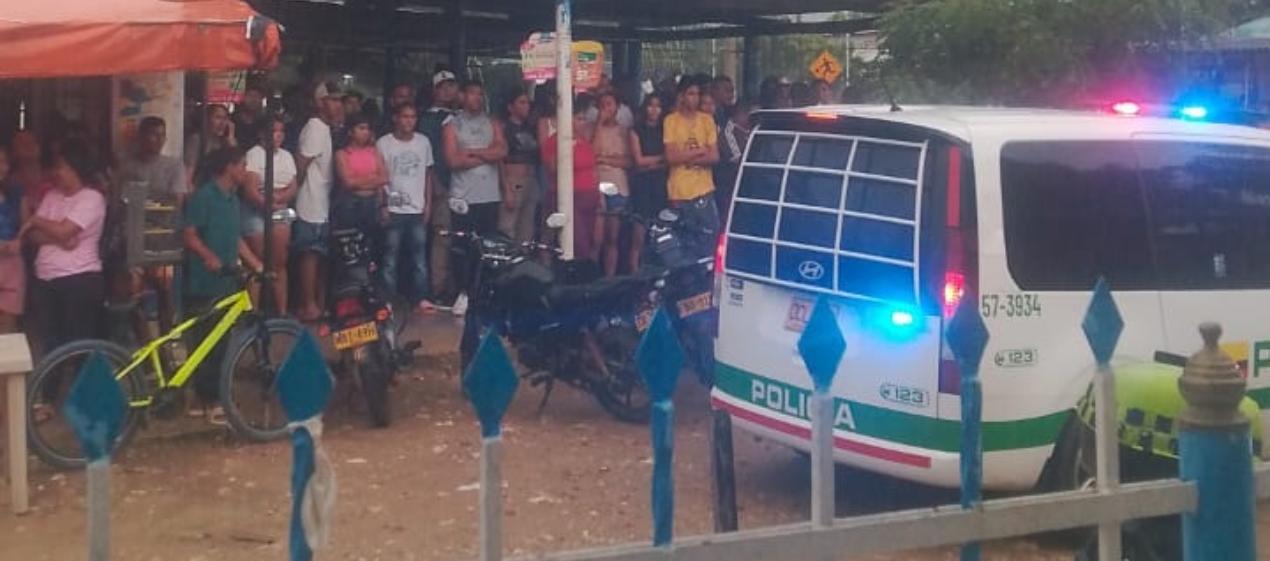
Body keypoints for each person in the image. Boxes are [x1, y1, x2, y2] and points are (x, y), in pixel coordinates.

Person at [182, 147, 264, 420]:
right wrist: (208, 256)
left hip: (226, 283)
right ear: (229, 167)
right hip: (202, 282)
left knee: (220, 344)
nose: (245, 171)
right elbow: (189, 234)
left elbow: (237, 239)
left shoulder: (232, 200)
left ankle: (211, 398)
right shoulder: (204, 196)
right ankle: (207, 398)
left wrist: (257, 266)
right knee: (203, 343)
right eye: (242, 165)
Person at [23, 140, 107, 357]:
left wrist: (35, 219)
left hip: (78, 279)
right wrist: (58, 238)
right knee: (50, 343)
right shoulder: (51, 196)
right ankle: (53, 380)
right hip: (45, 279)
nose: (56, 172)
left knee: (77, 344)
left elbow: (63, 230)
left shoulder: (92, 198)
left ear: (75, 169)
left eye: (61, 167)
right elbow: (32, 236)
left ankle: (79, 379)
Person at [113, 116, 189, 340]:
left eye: (162, 135)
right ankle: (146, 344)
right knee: (133, 292)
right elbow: (120, 202)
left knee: (165, 291)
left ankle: (165, 342)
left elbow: (175, 203)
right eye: (153, 134)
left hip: (162, 237)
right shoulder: (127, 165)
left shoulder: (174, 165)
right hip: (133, 236)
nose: (158, 139)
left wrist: (142, 202)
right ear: (141, 137)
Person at [444, 80, 506, 315]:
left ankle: (485, 292)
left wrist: (472, 152)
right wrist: (487, 156)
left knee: (488, 246)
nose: (477, 98)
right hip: (463, 197)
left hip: (489, 195)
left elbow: (502, 151)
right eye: (472, 93)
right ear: (463, 96)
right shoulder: (452, 125)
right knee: (463, 246)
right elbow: (452, 160)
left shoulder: (493, 123)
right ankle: (464, 291)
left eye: (480, 94)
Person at [293, 81, 343, 322]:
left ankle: (319, 304)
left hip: (321, 201)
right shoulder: (314, 127)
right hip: (310, 201)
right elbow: (301, 164)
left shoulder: (325, 128)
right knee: (310, 255)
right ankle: (309, 304)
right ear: (320, 103)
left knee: (320, 256)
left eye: (339, 100)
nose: (338, 105)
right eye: (332, 100)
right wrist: (294, 193)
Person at [377, 104, 436, 310]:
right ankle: (388, 299)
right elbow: (379, 177)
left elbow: (428, 175)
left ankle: (420, 298)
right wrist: (383, 205)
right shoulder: (384, 143)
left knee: (419, 258)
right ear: (396, 118)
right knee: (390, 258)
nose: (409, 121)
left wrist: (428, 203)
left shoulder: (423, 142)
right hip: (393, 207)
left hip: (417, 208)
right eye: (405, 116)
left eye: (413, 117)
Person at [241, 117, 297, 315]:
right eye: (274, 131)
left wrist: (279, 199)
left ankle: (282, 312)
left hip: (281, 208)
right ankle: (254, 312)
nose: (278, 135)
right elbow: (251, 190)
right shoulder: (254, 155)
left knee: (279, 262)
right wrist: (268, 203)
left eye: (281, 131)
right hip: (256, 209)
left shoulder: (287, 156)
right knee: (258, 262)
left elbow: (293, 185)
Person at [664, 76, 721, 251]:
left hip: (704, 189)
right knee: (683, 240)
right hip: (679, 190)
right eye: (690, 94)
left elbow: (714, 157)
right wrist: (699, 151)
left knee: (710, 237)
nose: (694, 98)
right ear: (681, 96)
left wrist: (684, 156)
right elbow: (671, 157)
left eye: (697, 94)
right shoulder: (671, 121)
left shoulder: (707, 120)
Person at [420, 70, 459, 308]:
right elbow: (428, 156)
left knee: (458, 236)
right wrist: (435, 183)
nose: (448, 91)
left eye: (451, 86)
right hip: (441, 184)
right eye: (443, 87)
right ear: (435, 90)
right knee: (442, 235)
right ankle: (438, 287)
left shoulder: (460, 116)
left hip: (464, 185)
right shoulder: (427, 119)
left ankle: (456, 285)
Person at [542, 105, 601, 262]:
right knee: (577, 241)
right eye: (579, 119)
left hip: (589, 197)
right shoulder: (554, 141)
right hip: (569, 197)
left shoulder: (584, 141)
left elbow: (593, 168)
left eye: (584, 119)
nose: (583, 123)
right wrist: (566, 148)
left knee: (591, 238)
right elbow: (552, 167)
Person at [592, 91, 632, 277]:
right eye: (602, 105)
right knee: (596, 238)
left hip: (618, 186)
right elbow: (590, 154)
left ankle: (610, 277)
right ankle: (592, 275)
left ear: (617, 107)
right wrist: (598, 124)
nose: (606, 109)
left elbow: (629, 161)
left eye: (609, 104)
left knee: (612, 237)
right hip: (596, 185)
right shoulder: (591, 129)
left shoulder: (624, 132)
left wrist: (605, 159)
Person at [628, 94, 669, 272]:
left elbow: (669, 160)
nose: (654, 110)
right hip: (642, 185)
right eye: (651, 105)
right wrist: (660, 159)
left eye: (658, 106)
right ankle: (634, 269)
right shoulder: (636, 131)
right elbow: (638, 161)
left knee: (660, 228)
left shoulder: (665, 130)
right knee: (639, 231)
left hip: (660, 183)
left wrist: (651, 163)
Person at [333, 113, 389, 237]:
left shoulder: (374, 152)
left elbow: (384, 178)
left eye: (367, 129)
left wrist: (358, 181)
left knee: (372, 241)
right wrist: (372, 179)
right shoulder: (342, 154)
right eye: (361, 128)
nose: (365, 132)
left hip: (373, 203)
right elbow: (348, 182)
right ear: (350, 131)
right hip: (350, 204)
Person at [499, 88, 540, 243]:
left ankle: (523, 256)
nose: (526, 106)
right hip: (513, 179)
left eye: (527, 103)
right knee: (508, 226)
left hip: (531, 179)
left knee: (527, 228)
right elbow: (500, 160)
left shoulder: (530, 128)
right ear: (511, 107)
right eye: (521, 103)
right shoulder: (504, 128)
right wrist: (506, 188)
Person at [717, 99, 755, 226]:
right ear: (740, 114)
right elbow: (739, 160)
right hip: (730, 186)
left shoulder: (749, 130)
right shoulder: (727, 132)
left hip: (748, 186)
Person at [185, 104, 238, 187]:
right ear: (207, 119)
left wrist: (231, 140)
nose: (222, 123)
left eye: (225, 119)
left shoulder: (226, 142)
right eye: (218, 117)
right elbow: (189, 171)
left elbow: (237, 168)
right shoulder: (198, 139)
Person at [0, 147, 23, 334]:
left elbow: (26, 225)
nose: (2, 167)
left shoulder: (16, 192)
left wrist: (19, 241)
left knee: (8, 329)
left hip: (12, 263)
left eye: (4, 162)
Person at [233, 84, 267, 148]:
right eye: (250, 96)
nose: (253, 100)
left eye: (257, 96)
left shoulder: (265, 122)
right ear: (243, 98)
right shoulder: (233, 121)